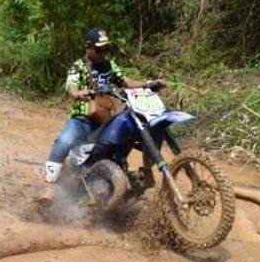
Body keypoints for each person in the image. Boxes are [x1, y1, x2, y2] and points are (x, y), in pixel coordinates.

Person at [40, 27, 167, 199]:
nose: (102, 53)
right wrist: (77, 93)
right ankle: (48, 186)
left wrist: (149, 83)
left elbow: (126, 82)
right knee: (64, 141)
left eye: (105, 49)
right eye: (99, 49)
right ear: (88, 47)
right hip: (82, 120)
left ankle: (124, 186)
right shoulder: (78, 67)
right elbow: (71, 86)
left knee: (119, 148)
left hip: (105, 121)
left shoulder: (109, 65)